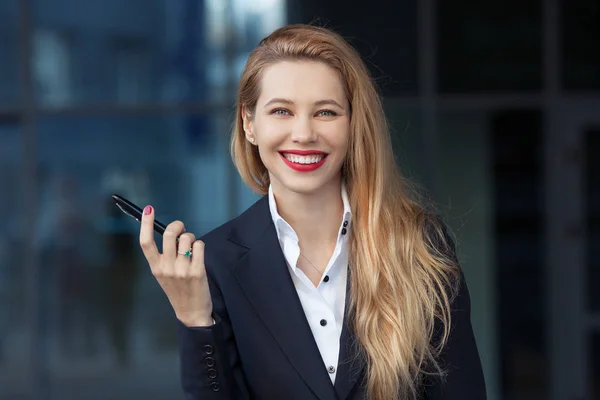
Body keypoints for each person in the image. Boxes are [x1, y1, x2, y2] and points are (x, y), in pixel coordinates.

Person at [138, 24, 486, 400]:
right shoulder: (215, 262)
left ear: (353, 124)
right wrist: (194, 321)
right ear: (249, 123)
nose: (303, 133)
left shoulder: (419, 242)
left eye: (325, 112)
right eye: (282, 111)